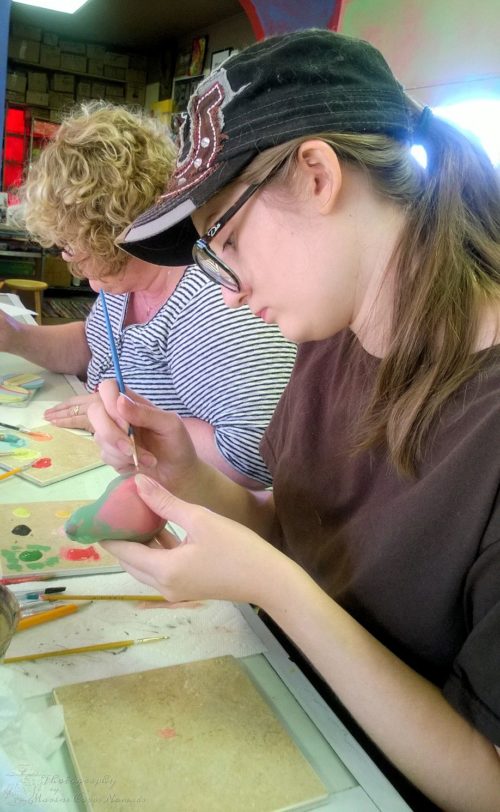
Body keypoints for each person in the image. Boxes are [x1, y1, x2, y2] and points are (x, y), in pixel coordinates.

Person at [87, 31, 500, 810]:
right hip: (295, 728)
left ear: (316, 174)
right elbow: (302, 530)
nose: (230, 289)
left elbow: (487, 781)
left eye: (228, 240)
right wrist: (190, 475)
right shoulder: (331, 333)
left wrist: (281, 593)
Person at [2, 102, 296, 487]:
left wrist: (128, 418)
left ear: (106, 235)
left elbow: (253, 456)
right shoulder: (126, 280)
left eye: (70, 247)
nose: (68, 260)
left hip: (192, 511)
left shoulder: (213, 304)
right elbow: (94, 346)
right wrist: (14, 335)